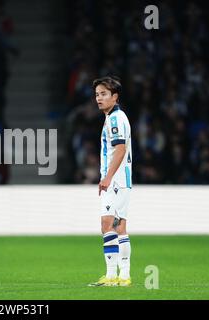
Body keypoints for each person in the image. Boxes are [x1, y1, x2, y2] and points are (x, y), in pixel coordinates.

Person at [88, 76, 132, 287]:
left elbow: (120, 149)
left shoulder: (115, 118)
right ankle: (119, 276)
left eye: (104, 94)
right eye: (97, 94)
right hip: (120, 178)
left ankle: (117, 275)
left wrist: (107, 177)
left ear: (115, 97)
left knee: (111, 225)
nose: (99, 98)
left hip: (116, 179)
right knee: (116, 225)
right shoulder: (115, 117)